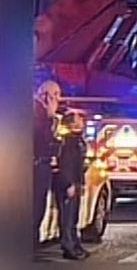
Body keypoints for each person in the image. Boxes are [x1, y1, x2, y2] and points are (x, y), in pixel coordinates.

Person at [53, 110, 89, 261]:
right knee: (67, 218)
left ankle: (75, 244)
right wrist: (70, 184)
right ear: (73, 124)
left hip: (76, 182)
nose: (82, 120)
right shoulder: (68, 142)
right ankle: (68, 248)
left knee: (73, 217)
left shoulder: (78, 140)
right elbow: (66, 165)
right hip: (68, 184)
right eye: (79, 118)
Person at [34, 80, 62, 257]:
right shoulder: (38, 112)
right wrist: (51, 117)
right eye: (55, 95)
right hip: (37, 166)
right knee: (35, 209)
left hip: (41, 165)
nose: (57, 99)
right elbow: (44, 140)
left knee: (38, 209)